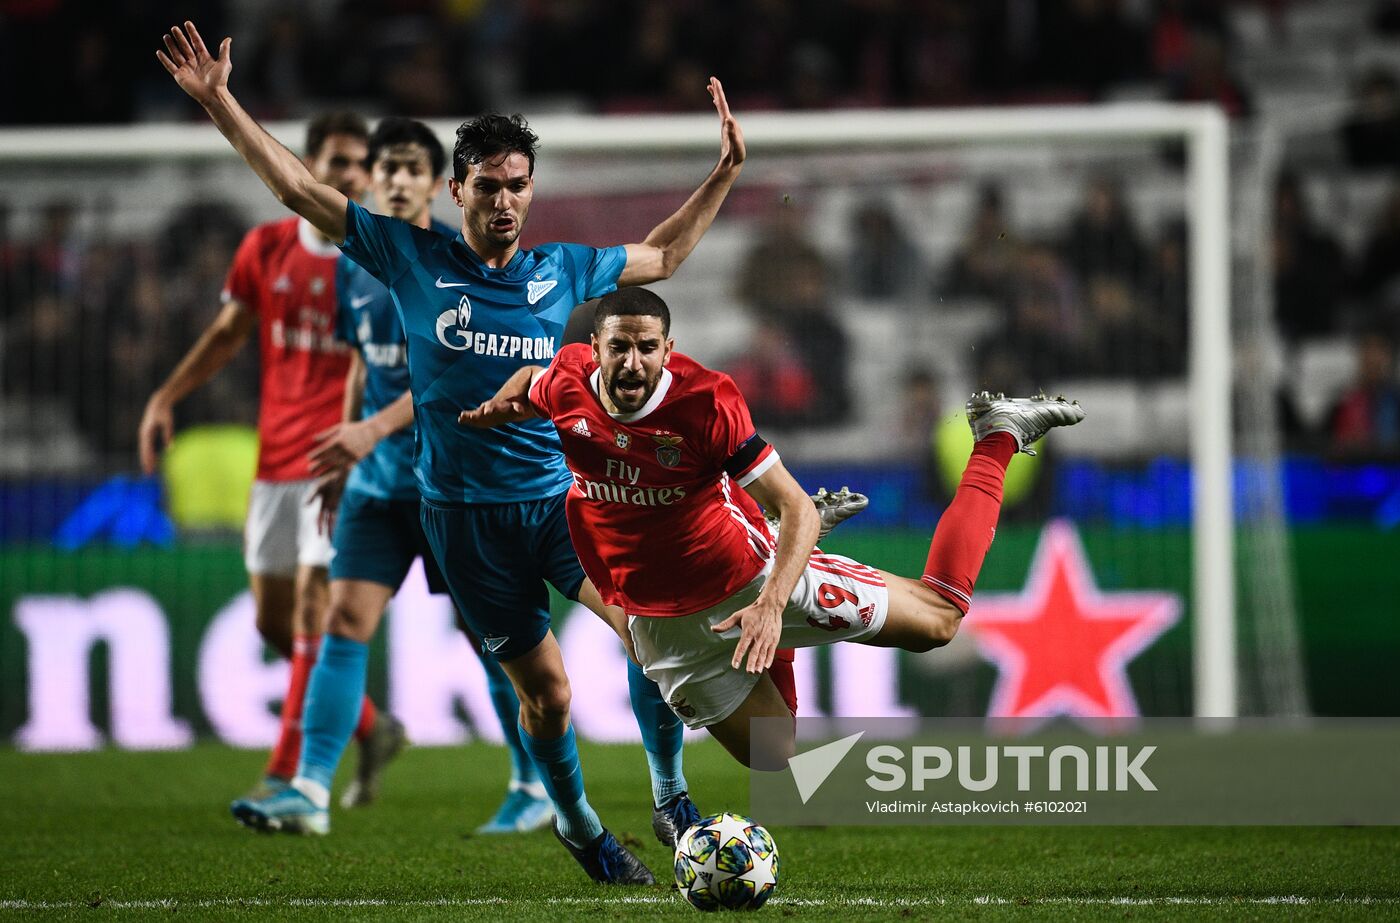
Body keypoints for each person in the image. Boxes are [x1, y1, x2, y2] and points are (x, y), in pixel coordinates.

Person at [156, 20, 742, 883]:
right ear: (455, 189)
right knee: (547, 696)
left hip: (561, 504)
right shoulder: (407, 255)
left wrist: (724, 171)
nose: (505, 201)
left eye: (518, 185)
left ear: (530, 191)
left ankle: (667, 793)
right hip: (465, 523)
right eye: (488, 186)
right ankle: (580, 825)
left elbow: (666, 253)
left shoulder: (562, 270)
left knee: (650, 634)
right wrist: (220, 104)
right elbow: (296, 189)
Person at [460, 288, 1085, 767]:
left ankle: (998, 434)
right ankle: (787, 554)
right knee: (776, 756)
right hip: (660, 623)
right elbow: (536, 385)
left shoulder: (706, 403)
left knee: (939, 621)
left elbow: (799, 508)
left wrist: (770, 601)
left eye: (646, 347)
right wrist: (502, 404)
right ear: (594, 350)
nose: (631, 362)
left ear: (667, 350)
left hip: (747, 578)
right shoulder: (566, 381)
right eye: (618, 347)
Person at [228, 117, 549, 836]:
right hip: (376, 485)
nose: (396, 180)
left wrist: (373, 429)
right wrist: (350, 453)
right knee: (342, 620)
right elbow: (360, 366)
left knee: (489, 637)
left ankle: (531, 779)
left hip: (451, 486)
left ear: (443, 188)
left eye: (412, 169)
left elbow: (454, 379)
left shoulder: (454, 267)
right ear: (371, 179)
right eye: (387, 168)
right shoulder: (360, 266)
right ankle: (310, 788)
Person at [135, 109, 401, 806]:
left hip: (339, 458)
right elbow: (227, 334)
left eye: (358, 163)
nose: (348, 174)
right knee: (273, 624)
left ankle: (287, 774)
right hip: (273, 458)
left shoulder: (382, 261)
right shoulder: (264, 247)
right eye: (335, 160)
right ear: (307, 164)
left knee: (316, 608)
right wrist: (166, 395)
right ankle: (371, 723)